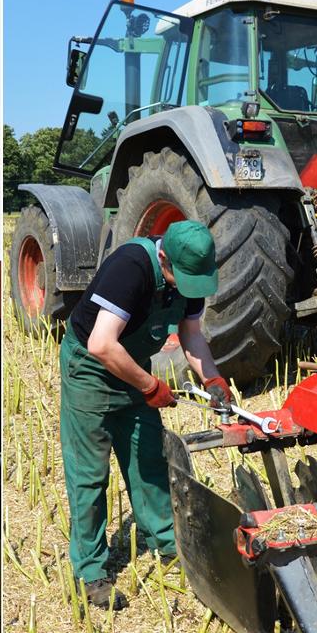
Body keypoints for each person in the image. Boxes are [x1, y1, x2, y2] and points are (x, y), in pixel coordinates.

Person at [59, 220, 230, 610]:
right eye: (179, 277)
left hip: (131, 366)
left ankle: (166, 541)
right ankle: (90, 572)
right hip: (91, 370)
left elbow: (191, 334)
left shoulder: (188, 276)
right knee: (89, 476)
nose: (186, 288)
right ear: (163, 257)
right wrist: (150, 386)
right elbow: (102, 344)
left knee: (149, 459)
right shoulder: (131, 267)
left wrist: (213, 379)